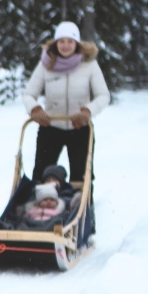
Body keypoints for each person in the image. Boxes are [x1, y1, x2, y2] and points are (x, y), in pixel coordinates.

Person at [21, 22, 109, 184]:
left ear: (77, 43)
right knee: (41, 175)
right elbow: (28, 95)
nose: (66, 45)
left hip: (80, 127)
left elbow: (103, 96)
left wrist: (88, 111)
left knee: (81, 175)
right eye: (61, 41)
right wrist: (35, 109)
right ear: (55, 43)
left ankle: (83, 205)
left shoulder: (89, 65)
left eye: (70, 41)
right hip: (51, 126)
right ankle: (41, 206)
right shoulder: (45, 65)